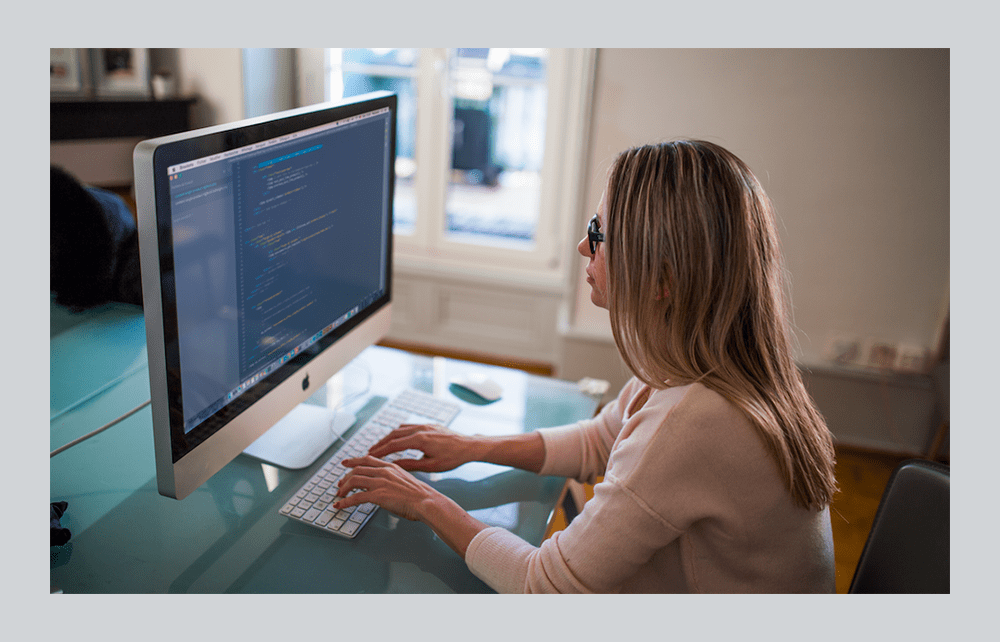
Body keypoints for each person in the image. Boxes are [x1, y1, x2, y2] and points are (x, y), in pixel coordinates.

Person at [335, 140, 838, 593]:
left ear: (662, 279)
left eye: (598, 233)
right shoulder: (714, 362)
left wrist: (425, 502)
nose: (583, 247)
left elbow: (546, 587)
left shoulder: (697, 419)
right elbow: (601, 441)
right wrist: (474, 447)